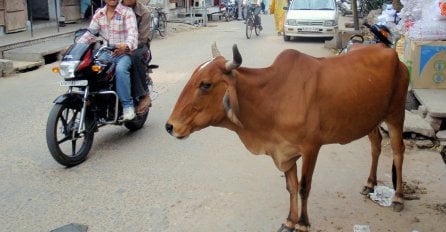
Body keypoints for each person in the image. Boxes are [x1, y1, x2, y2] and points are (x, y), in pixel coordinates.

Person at [78, 0, 138, 121]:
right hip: (106, 53)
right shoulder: (99, 14)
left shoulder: (127, 12)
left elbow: (133, 34)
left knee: (121, 70)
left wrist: (126, 46)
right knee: (89, 68)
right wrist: (76, 47)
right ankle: (89, 101)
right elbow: (89, 35)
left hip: (123, 53)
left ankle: (127, 106)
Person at [122, 0, 152, 115]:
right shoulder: (114, 8)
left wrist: (126, 47)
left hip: (138, 46)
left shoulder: (144, 13)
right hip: (116, 46)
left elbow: (142, 39)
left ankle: (143, 94)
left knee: (134, 56)